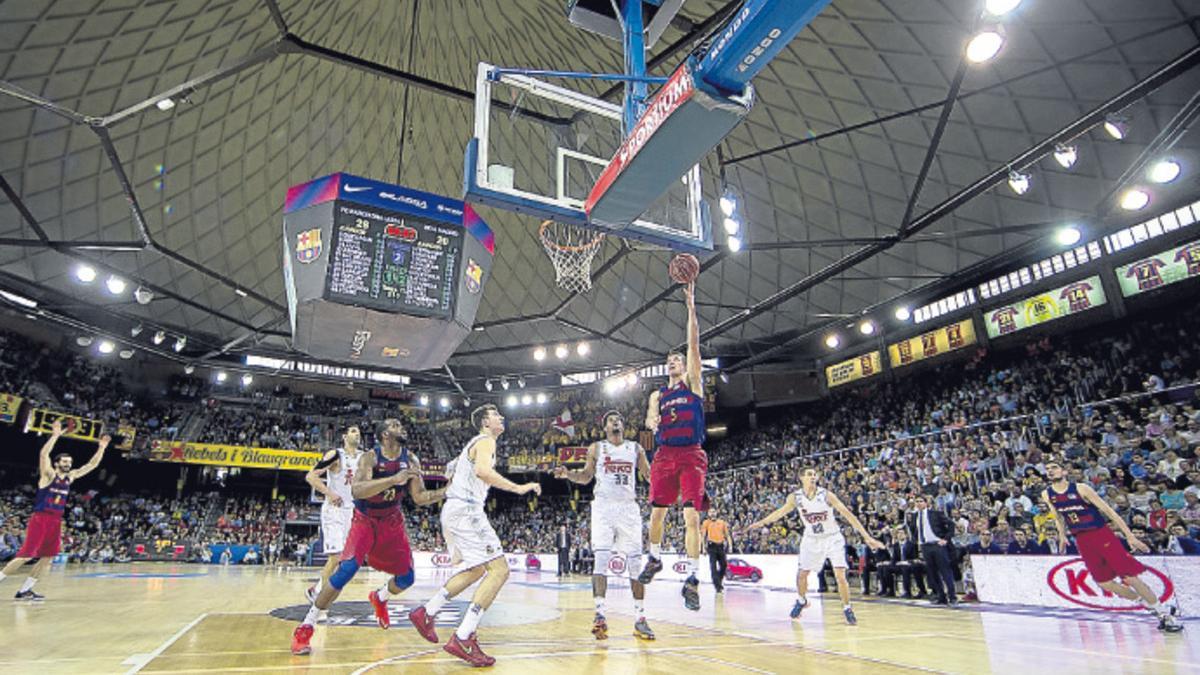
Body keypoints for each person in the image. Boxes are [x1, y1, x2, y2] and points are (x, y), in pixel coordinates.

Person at [291, 418, 448, 655]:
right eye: (395, 425)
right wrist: (394, 480)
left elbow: (419, 498)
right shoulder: (370, 458)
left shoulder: (411, 459)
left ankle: (380, 596)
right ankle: (306, 627)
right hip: (364, 520)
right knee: (345, 570)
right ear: (385, 435)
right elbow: (357, 490)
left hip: (392, 521)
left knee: (407, 578)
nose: (401, 427)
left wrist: (447, 492)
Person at [408, 405, 542, 667]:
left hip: (455, 510)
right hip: (467, 509)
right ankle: (463, 635)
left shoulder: (472, 443)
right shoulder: (486, 441)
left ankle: (427, 612)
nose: (501, 418)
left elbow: (450, 469)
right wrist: (518, 487)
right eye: (495, 415)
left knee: (476, 570)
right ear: (484, 422)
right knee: (500, 571)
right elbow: (482, 471)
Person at [1042, 457, 1183, 632]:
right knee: (1104, 582)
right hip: (1081, 539)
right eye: (1047, 468)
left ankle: (1166, 616)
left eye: (1054, 467)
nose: (1050, 470)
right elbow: (1058, 516)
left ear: (1064, 471)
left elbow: (1109, 512)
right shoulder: (1047, 494)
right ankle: (1151, 606)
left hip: (1101, 534)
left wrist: (1130, 536)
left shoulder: (1081, 488)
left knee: (1129, 577)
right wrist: (1062, 536)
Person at [639, 281, 710, 611]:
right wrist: (652, 421)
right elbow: (650, 418)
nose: (674, 362)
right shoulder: (658, 394)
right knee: (657, 514)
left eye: (678, 359)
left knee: (692, 518)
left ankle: (693, 579)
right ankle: (654, 558)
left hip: (691, 454)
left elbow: (694, 344)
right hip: (664, 454)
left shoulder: (694, 384)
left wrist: (691, 305)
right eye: (669, 360)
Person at [554, 410, 655, 641]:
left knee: (635, 564)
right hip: (603, 508)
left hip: (628, 508)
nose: (616, 421)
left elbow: (649, 476)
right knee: (600, 560)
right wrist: (568, 474)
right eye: (611, 420)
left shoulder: (635, 448)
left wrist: (670, 480)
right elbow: (587, 477)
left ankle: (640, 618)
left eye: (619, 419)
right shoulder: (597, 448)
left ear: (623, 425)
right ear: (605, 427)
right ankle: (599, 615)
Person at [741, 467, 883, 625]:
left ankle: (847, 608)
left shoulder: (826, 495)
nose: (813, 477)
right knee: (802, 574)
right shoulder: (795, 497)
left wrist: (867, 537)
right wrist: (761, 523)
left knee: (840, 576)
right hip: (811, 539)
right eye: (809, 474)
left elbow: (848, 515)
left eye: (815, 474)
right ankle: (801, 600)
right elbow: (780, 513)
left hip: (832, 537)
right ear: (801, 477)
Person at [0, 421, 109, 599]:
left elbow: (91, 465)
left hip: (56, 520)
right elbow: (44, 455)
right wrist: (55, 435)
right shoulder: (48, 475)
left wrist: (102, 448)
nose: (68, 464)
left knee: (48, 557)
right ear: (57, 463)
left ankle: (25, 590)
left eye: (69, 462)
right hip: (40, 518)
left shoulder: (70, 477)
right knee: (26, 556)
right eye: (65, 462)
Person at [303, 425, 363, 606]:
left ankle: (317, 591)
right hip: (335, 510)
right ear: (345, 436)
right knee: (336, 556)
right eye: (353, 431)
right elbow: (311, 476)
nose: (357, 434)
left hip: (352, 512)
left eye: (359, 432)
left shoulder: (364, 457)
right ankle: (319, 595)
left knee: (346, 561)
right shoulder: (335, 455)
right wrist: (329, 493)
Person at [907, 495, 958, 606]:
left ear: (926, 503)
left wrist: (945, 539)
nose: (919, 503)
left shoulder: (935, 513)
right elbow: (914, 530)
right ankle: (941, 596)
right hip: (925, 546)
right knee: (932, 573)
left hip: (937, 545)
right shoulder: (915, 516)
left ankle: (952, 596)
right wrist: (917, 541)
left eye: (921, 501)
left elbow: (951, 524)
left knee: (945, 571)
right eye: (917, 501)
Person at [877, 528, 926, 598]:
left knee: (905, 568)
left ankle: (907, 592)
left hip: (909, 565)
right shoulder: (896, 545)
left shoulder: (912, 544)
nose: (900, 535)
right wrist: (890, 563)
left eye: (902, 533)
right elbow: (894, 558)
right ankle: (890, 590)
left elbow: (915, 558)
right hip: (899, 564)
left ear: (906, 535)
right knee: (885, 568)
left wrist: (906, 562)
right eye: (898, 533)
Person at [701, 506, 733, 594]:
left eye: (713, 511)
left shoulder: (722, 522)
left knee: (724, 565)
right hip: (712, 546)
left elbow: (727, 535)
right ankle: (718, 586)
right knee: (713, 567)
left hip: (721, 546)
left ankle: (718, 580)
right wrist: (703, 548)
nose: (712, 513)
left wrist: (730, 545)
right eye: (710, 512)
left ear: (716, 512)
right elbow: (703, 536)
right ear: (708, 514)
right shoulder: (706, 523)